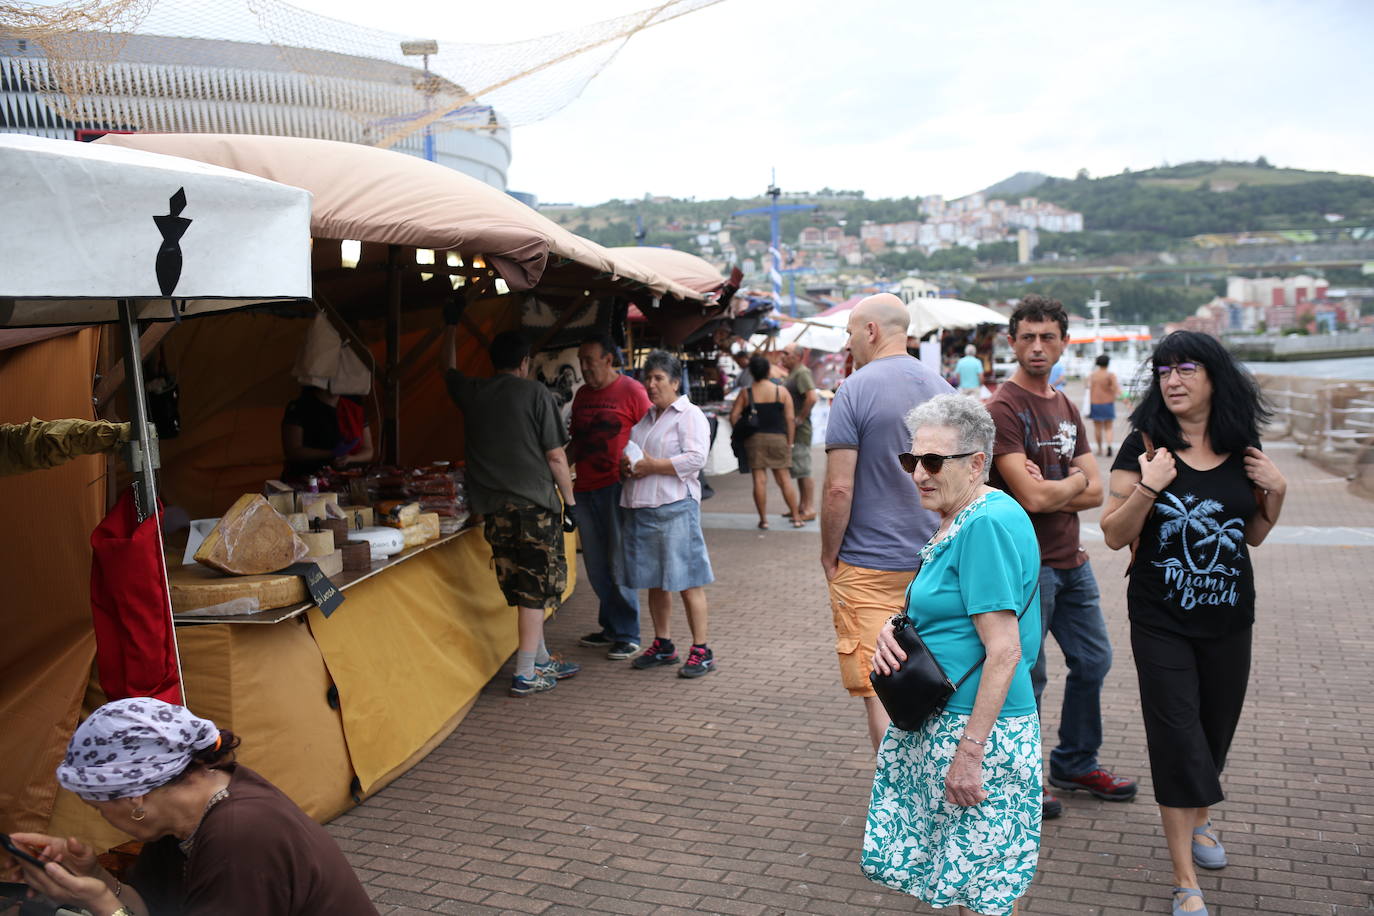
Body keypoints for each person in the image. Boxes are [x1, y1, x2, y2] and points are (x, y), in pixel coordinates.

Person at [1099, 331, 1286, 916]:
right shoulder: (1144, 445)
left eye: (1186, 369)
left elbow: (1251, 534)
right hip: (1161, 620)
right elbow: (1112, 533)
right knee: (1178, 737)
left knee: (1213, 731)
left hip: (1230, 618)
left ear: (1214, 377)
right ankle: (1186, 882)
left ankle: (1202, 822)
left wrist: (1277, 493)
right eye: (1163, 371)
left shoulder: (1241, 444)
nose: (1172, 380)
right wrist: (1152, 486)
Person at [864, 394, 1042, 916]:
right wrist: (891, 628)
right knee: (965, 883)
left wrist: (970, 753)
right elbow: (948, 610)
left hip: (973, 726)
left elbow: (1005, 651)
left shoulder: (983, 523)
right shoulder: (965, 514)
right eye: (911, 460)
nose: (918, 473)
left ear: (977, 463)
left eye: (933, 462)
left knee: (981, 892)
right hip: (949, 719)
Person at [5, 697, 377, 916]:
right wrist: (96, 881)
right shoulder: (185, 811)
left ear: (136, 796)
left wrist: (105, 906)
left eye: (98, 806)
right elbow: (153, 908)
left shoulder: (241, 834)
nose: (99, 816)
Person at [986, 294, 1136, 820]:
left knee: (1094, 661)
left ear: (1063, 342)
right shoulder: (1002, 409)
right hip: (1028, 568)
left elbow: (1097, 495)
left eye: (1047, 336)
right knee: (1027, 674)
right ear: (1012, 342)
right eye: (1026, 336)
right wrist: (1074, 481)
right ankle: (1019, 777)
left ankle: (1074, 762)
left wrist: (1061, 485)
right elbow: (1032, 499)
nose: (1036, 346)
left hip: (1072, 561)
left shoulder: (1066, 404)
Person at [821, 293, 951, 750]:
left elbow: (839, 488)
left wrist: (828, 554)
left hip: (868, 565)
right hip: (933, 562)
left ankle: (895, 807)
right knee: (934, 681)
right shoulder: (945, 390)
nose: (849, 343)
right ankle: (931, 793)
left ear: (871, 331)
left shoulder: (854, 389)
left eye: (851, 332)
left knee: (883, 688)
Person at [442, 318, 581, 697]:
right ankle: (525, 673)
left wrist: (450, 329)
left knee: (522, 588)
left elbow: (448, 370)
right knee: (536, 591)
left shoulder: (473, 392)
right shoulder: (535, 394)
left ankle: (540, 659)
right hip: (535, 509)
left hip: (495, 512)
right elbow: (556, 456)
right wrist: (570, 502)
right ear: (524, 362)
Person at [616, 350, 717, 678]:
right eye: (648, 378)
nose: (651, 384)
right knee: (655, 582)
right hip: (642, 509)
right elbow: (637, 458)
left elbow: (695, 458)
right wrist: (628, 468)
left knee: (688, 580)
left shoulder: (689, 415)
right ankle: (663, 644)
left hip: (675, 509)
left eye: (658, 378)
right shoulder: (645, 421)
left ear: (675, 382)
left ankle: (701, 650)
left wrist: (651, 466)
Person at [568, 334, 652, 661]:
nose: (584, 367)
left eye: (590, 359)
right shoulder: (582, 396)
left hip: (617, 488)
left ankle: (628, 633)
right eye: (581, 360)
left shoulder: (632, 391)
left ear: (608, 359)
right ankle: (610, 627)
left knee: (619, 561)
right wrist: (556, 466)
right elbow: (576, 442)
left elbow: (651, 434)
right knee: (596, 565)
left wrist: (643, 469)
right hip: (584, 489)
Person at [730, 354, 803, 529]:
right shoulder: (781, 391)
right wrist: (790, 442)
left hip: (754, 440)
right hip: (779, 439)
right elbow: (790, 419)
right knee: (784, 479)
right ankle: (796, 517)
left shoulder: (746, 393)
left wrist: (742, 431)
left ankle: (763, 520)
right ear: (768, 370)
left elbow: (733, 416)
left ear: (751, 372)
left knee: (759, 481)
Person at [280, 386, 374, 481]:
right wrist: (331, 453)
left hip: (348, 479)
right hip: (308, 479)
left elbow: (368, 450)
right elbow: (293, 451)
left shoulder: (354, 408)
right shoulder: (299, 407)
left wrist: (350, 458)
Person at [780, 344, 819, 521]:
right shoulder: (793, 373)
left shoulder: (802, 372)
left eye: (786, 353)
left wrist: (800, 417)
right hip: (794, 429)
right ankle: (802, 507)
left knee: (803, 469)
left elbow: (811, 397)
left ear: (797, 357)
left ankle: (809, 507)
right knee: (798, 468)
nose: (783, 356)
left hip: (800, 430)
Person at [1088, 354, 1122, 456]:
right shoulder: (1110, 375)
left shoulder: (1093, 375)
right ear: (1108, 363)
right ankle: (1109, 446)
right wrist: (1126, 401)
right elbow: (1116, 389)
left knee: (1097, 428)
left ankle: (1099, 449)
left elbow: (1088, 387)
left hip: (1095, 403)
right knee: (1108, 427)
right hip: (1108, 403)